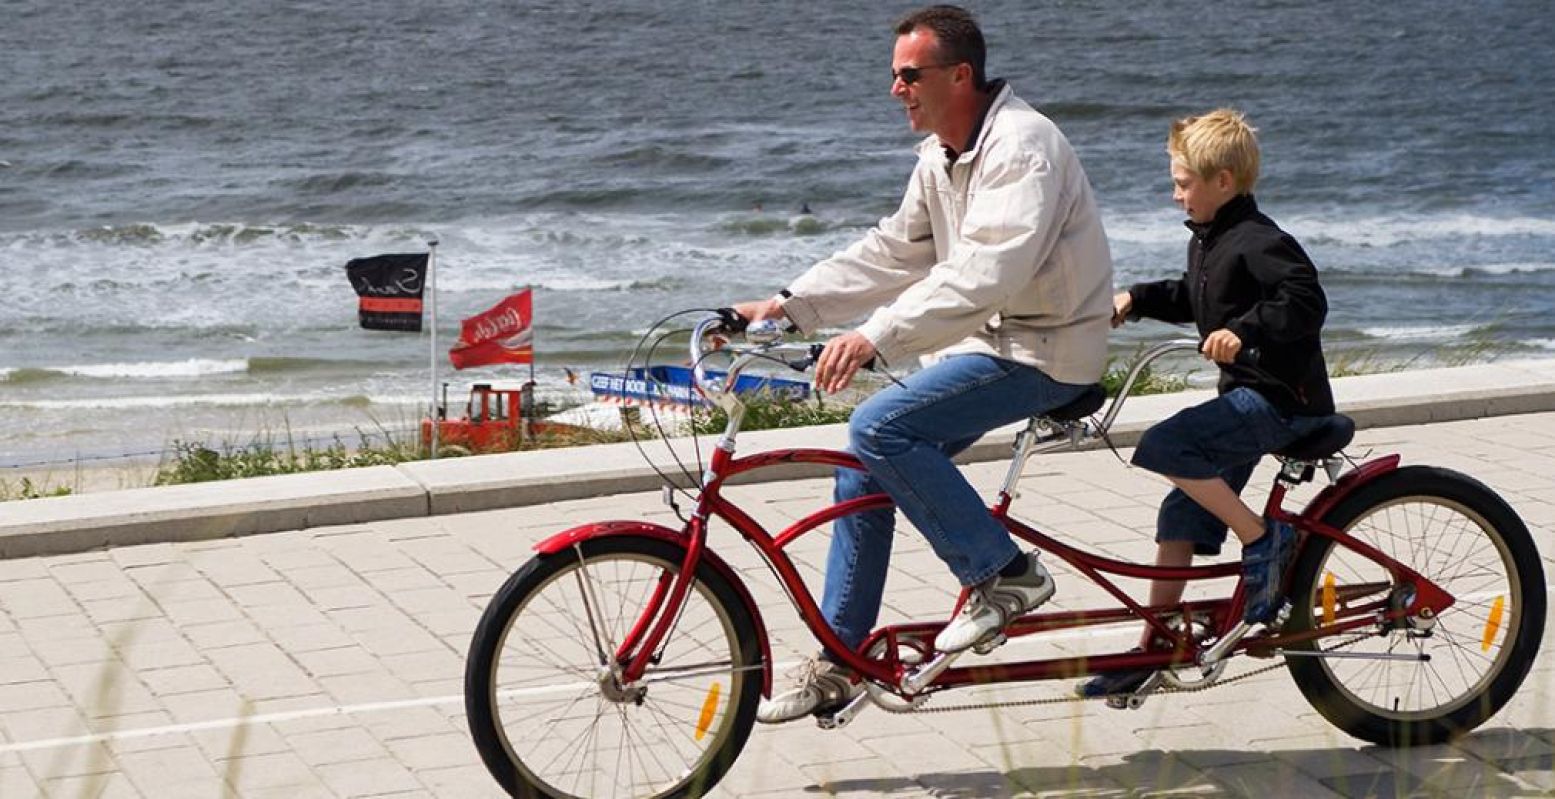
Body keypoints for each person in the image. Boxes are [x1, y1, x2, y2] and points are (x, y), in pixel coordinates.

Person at [734, 5, 1114, 723]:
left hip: (1049, 348)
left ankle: (1004, 575)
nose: (895, 89)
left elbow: (984, 274)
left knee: (880, 428)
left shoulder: (1021, 147)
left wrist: (875, 336)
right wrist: (786, 305)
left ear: (959, 75)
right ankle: (838, 658)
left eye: (910, 75)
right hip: (991, 343)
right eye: (893, 76)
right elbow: (893, 252)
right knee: (860, 460)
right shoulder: (940, 156)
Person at [1076, 108, 1333, 700]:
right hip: (1247, 396)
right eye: (1175, 182)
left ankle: (1265, 539)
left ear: (1223, 182)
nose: (1175, 195)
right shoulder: (1212, 241)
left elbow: (1305, 299)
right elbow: (1199, 299)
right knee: (1181, 515)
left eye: (1184, 183)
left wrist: (1247, 330)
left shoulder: (1259, 240)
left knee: (1167, 444)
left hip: (1281, 402)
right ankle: (1154, 647)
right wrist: (1135, 299)